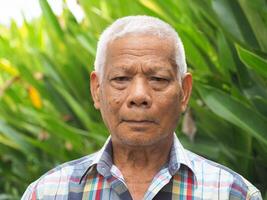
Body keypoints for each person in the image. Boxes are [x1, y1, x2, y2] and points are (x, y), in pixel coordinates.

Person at [22, 15, 262, 200]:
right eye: (120, 79)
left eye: (158, 79)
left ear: (184, 92)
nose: (139, 96)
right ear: (97, 90)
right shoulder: (48, 193)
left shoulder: (232, 193)